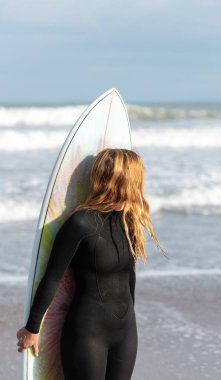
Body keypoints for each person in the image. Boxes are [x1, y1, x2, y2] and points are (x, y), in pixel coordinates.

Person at [16, 148, 167, 380]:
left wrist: (130, 322)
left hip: (125, 333)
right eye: (136, 180)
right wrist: (32, 328)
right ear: (121, 182)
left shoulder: (129, 223)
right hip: (87, 333)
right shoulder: (80, 223)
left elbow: (130, 276)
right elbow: (52, 278)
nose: (139, 187)